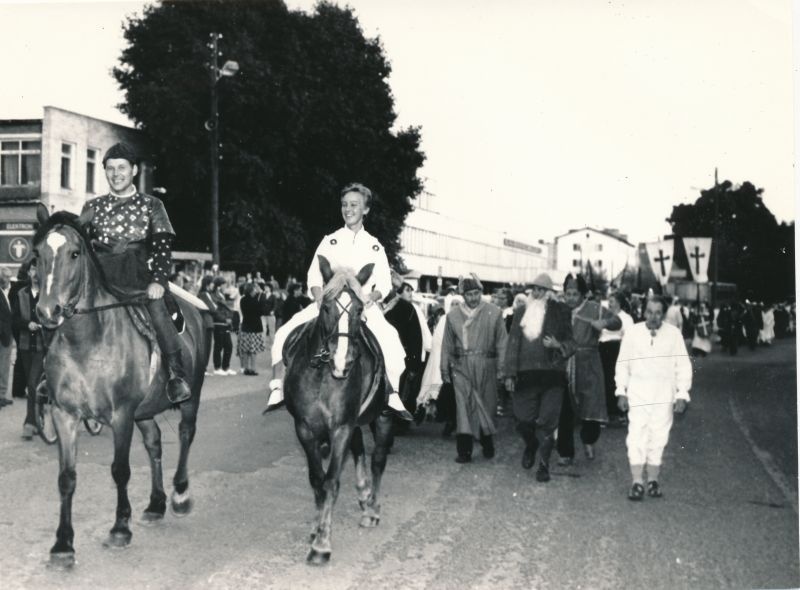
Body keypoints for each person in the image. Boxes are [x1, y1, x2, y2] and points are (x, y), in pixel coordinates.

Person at [264, 183, 411, 419]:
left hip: (360, 306)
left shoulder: (374, 246)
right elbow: (314, 275)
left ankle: (391, 394)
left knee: (391, 340)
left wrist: (367, 298)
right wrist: (320, 298)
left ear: (366, 210)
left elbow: (383, 283)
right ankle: (277, 387)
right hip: (328, 303)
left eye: (354, 205)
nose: (348, 209)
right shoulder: (330, 240)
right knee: (283, 332)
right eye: (344, 205)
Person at [80, 142, 190, 403]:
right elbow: (82, 250)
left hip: (140, 280)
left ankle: (176, 375)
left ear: (134, 171)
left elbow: (163, 249)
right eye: (110, 169)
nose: (116, 174)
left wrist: (159, 282)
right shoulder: (91, 207)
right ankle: (51, 374)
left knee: (158, 312)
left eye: (121, 168)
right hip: (102, 282)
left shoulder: (152, 205)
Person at [616, 296, 691, 501]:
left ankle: (653, 481)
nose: (653, 317)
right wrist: (621, 390)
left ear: (664, 314)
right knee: (636, 436)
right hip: (638, 392)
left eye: (658, 312)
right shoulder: (632, 333)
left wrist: (682, 393)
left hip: (663, 394)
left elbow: (683, 366)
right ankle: (637, 482)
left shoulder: (674, 335)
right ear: (644, 311)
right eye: (649, 311)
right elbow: (623, 364)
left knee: (658, 437)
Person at [503, 273, 575, 483]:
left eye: (542, 290)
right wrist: (509, 373)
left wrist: (557, 345)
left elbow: (572, 344)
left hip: (552, 376)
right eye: (535, 289)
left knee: (548, 421)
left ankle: (543, 465)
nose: (537, 293)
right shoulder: (520, 312)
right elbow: (513, 343)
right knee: (522, 418)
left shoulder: (561, 312)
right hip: (525, 376)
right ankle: (531, 444)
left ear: (550, 292)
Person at [441, 274, 507, 463]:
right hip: (462, 366)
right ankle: (464, 450)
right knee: (464, 407)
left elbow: (503, 342)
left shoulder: (494, 312)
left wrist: (503, 368)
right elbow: (447, 344)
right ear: (463, 295)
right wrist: (445, 368)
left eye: (476, 293)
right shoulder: (452, 316)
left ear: (481, 292)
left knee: (486, 405)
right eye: (469, 294)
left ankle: (488, 443)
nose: (473, 298)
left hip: (487, 365)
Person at [557, 274, 621, 464]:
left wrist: (605, 323)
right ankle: (565, 452)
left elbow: (617, 322)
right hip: (565, 363)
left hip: (589, 363)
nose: (570, 298)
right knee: (564, 410)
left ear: (583, 295)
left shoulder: (594, 309)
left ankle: (589, 439)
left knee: (591, 407)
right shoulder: (560, 311)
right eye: (567, 293)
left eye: (574, 294)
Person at [11, 263, 45, 439]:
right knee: (34, 385)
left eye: (38, 269)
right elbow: (14, 319)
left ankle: (29, 423)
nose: (35, 273)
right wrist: (27, 324)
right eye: (32, 269)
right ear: (29, 272)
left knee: (32, 383)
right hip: (25, 346)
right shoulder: (21, 294)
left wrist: (43, 325)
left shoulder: (47, 294)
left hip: (42, 346)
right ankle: (37, 418)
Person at [384, 279, 424, 416]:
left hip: (402, 358)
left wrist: (414, 364)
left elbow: (416, 338)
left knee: (401, 392)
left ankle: (399, 422)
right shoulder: (375, 307)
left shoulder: (407, 308)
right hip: (382, 358)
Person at [598, 291, 634, 428]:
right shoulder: (606, 315)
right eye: (609, 301)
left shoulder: (626, 318)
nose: (609, 304)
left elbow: (629, 337)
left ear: (619, 302)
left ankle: (620, 413)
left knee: (617, 381)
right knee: (604, 381)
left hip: (616, 350)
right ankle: (607, 413)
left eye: (612, 301)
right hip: (603, 350)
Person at [238, 281, 267, 375]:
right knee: (253, 351)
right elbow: (262, 310)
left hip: (246, 326)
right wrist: (261, 294)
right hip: (255, 327)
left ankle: (246, 368)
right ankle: (253, 369)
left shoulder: (242, 300)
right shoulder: (255, 301)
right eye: (254, 289)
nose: (256, 291)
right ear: (251, 291)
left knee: (246, 350)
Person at [210, 276, 235, 375]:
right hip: (219, 323)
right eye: (224, 284)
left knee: (228, 346)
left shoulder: (221, 294)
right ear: (219, 286)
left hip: (225, 323)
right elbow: (216, 310)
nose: (226, 286)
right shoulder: (214, 295)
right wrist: (225, 318)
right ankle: (217, 367)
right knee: (218, 346)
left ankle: (225, 367)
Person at [0, 267, 14, 409]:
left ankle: (2, 395)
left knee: (4, 367)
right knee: (2, 366)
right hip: (2, 336)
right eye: (6, 278)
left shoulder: (5, 292)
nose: (8, 281)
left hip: (6, 335)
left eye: (9, 278)